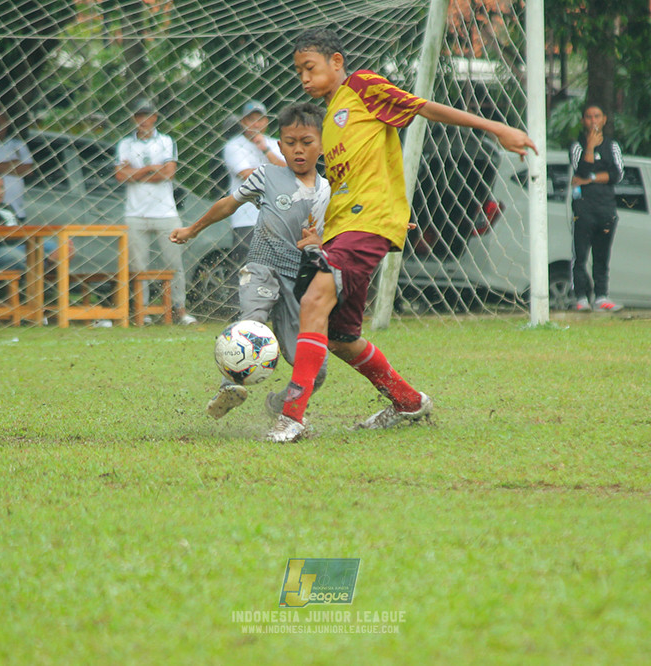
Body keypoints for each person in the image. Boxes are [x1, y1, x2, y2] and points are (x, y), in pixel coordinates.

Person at [266, 28, 537, 442]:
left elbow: (425, 108)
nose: (303, 77)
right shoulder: (331, 115)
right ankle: (408, 402)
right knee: (341, 339)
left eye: (310, 67)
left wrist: (496, 128)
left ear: (336, 62)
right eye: (298, 70)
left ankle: (292, 417)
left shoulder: (362, 86)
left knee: (313, 300)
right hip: (347, 229)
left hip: (366, 224)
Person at [171, 103, 331, 419]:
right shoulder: (266, 175)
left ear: (322, 144)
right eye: (290, 143)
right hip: (262, 266)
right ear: (279, 144)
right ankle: (226, 387)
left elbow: (336, 238)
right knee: (252, 323)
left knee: (317, 368)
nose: (298, 150)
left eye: (307, 142)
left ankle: (279, 404)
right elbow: (229, 204)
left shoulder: (327, 190)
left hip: (299, 281)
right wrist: (193, 228)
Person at [116, 98, 196, 326]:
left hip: (165, 212)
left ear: (155, 117)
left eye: (147, 116)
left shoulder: (166, 141)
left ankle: (179, 311)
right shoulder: (125, 144)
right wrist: (151, 168)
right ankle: (143, 313)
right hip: (135, 213)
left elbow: (168, 172)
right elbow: (121, 176)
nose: (144, 120)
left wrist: (137, 173)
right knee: (138, 267)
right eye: (139, 116)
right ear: (134, 119)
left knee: (174, 263)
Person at [569, 103, 624, 312]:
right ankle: (581, 298)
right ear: (583, 120)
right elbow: (580, 170)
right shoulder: (577, 146)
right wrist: (590, 148)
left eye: (597, 116)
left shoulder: (613, 146)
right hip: (583, 210)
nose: (593, 121)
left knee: (602, 255)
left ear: (604, 120)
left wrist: (590, 178)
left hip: (606, 209)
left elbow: (616, 175)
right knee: (580, 256)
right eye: (589, 117)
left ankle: (602, 297)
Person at [222, 100, 287, 265]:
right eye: (251, 120)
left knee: (278, 271)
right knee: (247, 269)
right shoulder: (234, 146)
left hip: (277, 217)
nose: (255, 124)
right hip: (246, 219)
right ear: (243, 122)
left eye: (259, 120)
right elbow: (247, 176)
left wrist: (265, 150)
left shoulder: (274, 144)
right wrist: (277, 174)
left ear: (266, 122)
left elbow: (290, 172)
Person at [0, 172, 58, 271]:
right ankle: (46, 267)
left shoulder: (8, 207)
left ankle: (46, 267)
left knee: (53, 246)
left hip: (21, 245)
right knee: (20, 257)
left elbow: (21, 228)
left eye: (1, 187)